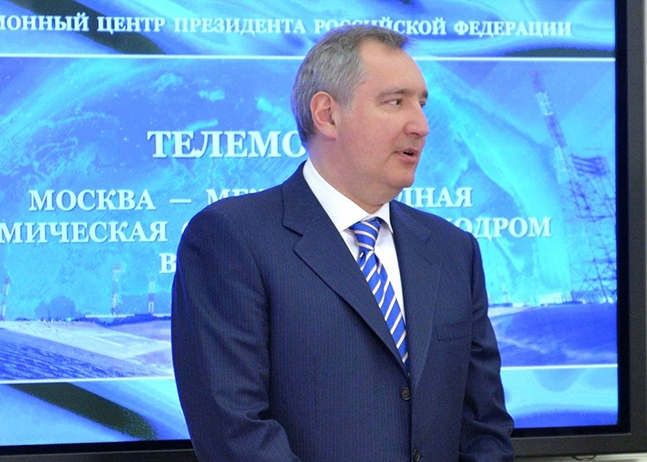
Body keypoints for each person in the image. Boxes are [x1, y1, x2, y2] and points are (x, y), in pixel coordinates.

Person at [171, 24, 514, 462]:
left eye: (422, 104)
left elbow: (485, 427)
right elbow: (236, 434)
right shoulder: (231, 238)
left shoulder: (453, 249)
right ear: (327, 114)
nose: (421, 126)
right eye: (396, 102)